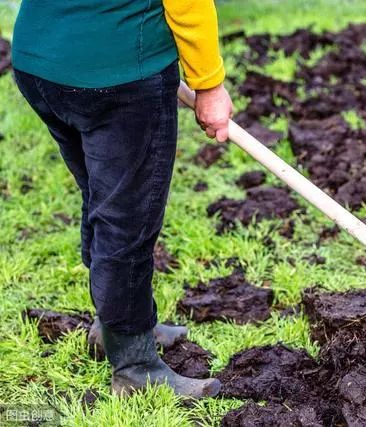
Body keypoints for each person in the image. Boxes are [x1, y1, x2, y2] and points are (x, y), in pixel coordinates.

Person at [11, 0, 233, 398]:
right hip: (117, 77)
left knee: (103, 197)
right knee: (126, 219)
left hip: (40, 63)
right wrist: (210, 85)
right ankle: (135, 365)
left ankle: (117, 325)